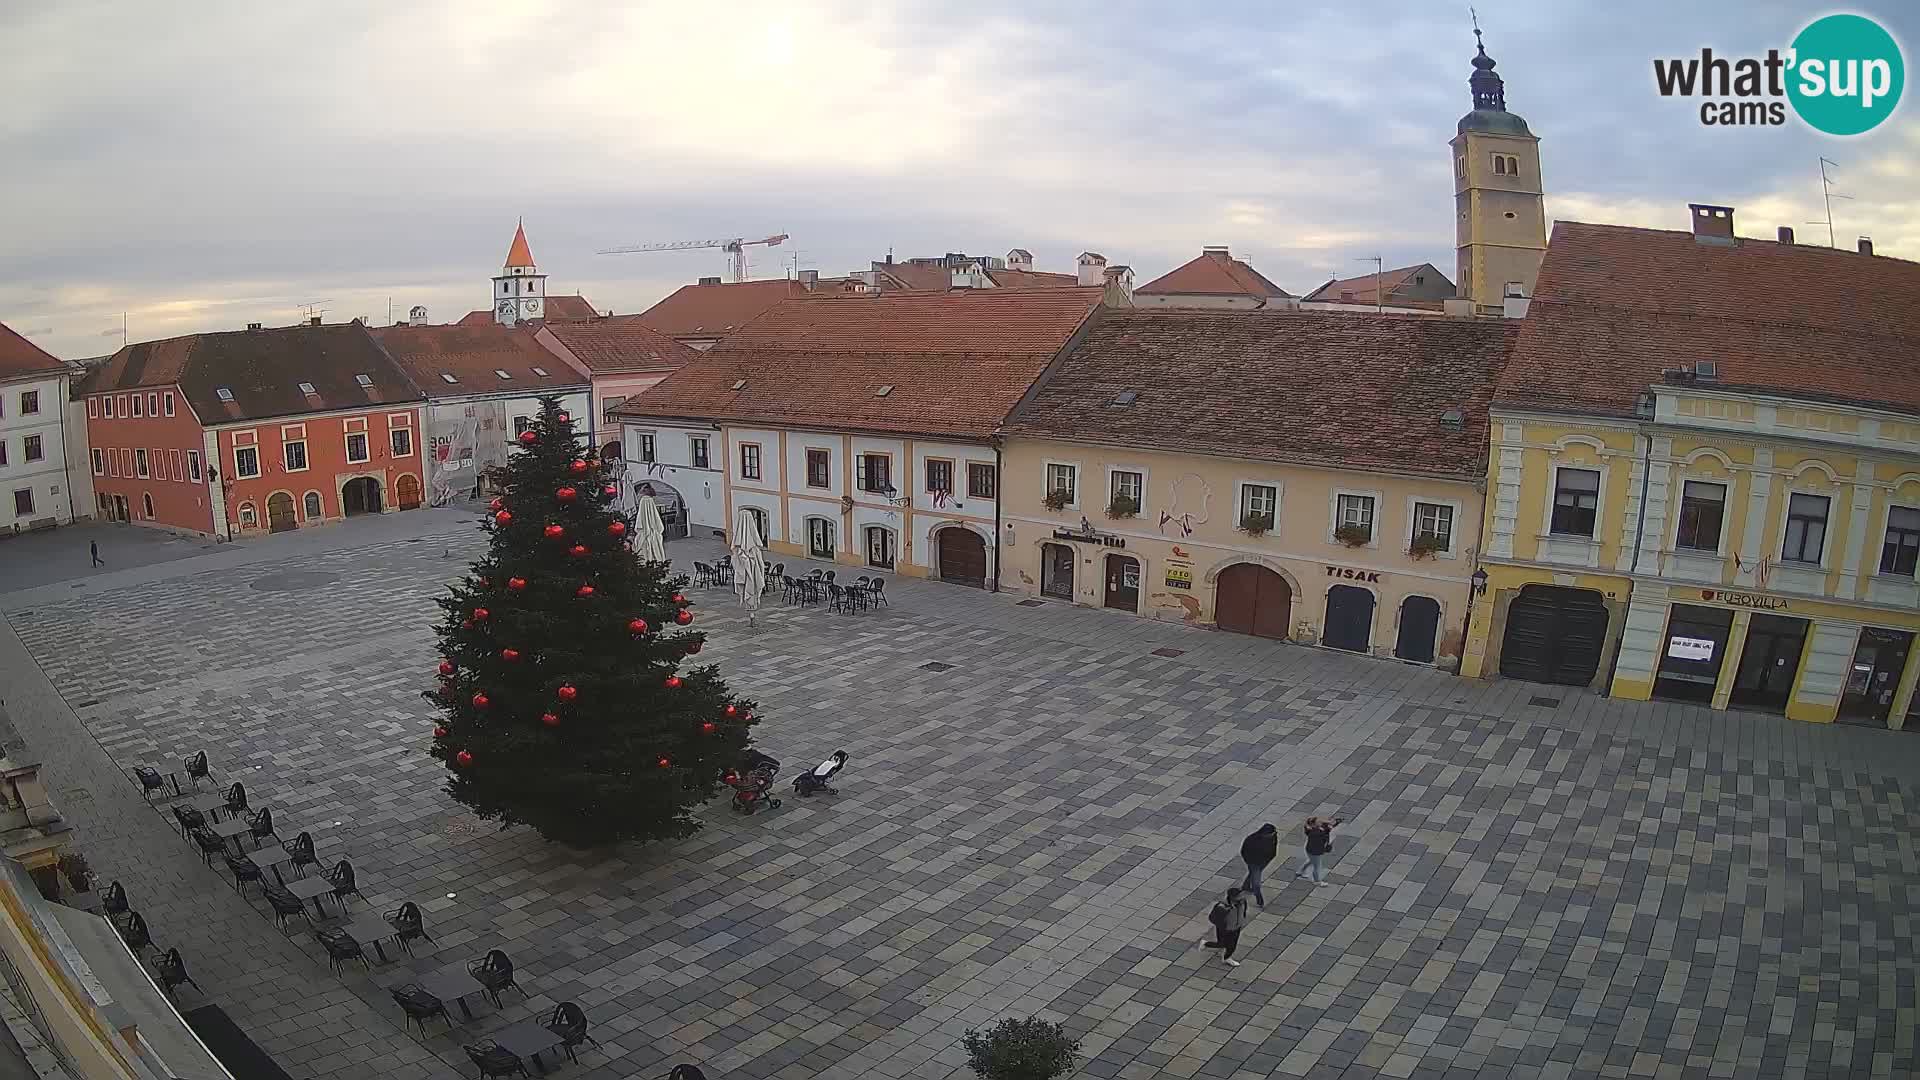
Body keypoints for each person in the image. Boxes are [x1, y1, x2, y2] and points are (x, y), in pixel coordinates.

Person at [1200, 886, 1250, 966]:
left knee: (1232, 945)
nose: (1242, 896)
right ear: (1233, 897)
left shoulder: (1242, 901)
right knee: (1222, 944)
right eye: (1239, 896)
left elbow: (1244, 910)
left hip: (1236, 927)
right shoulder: (1222, 907)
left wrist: (1241, 921)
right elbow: (1213, 918)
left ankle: (1227, 958)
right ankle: (1205, 943)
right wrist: (1223, 926)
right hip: (1225, 929)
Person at [1240, 823, 1278, 908]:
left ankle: (1245, 886)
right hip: (1254, 862)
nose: (1274, 834)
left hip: (1265, 861)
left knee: (1253, 874)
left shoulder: (1273, 836)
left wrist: (1271, 857)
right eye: (1271, 834)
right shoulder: (1252, 840)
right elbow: (1244, 851)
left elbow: (1274, 846)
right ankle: (1259, 899)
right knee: (1256, 883)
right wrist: (1249, 861)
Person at [1297, 816, 1342, 886]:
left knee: (1311, 861)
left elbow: (1326, 827)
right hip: (1314, 851)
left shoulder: (1314, 829)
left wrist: (1333, 823)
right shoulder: (1314, 833)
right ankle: (1317, 881)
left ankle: (1300, 871)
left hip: (1312, 850)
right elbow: (1324, 832)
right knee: (1317, 866)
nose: (1320, 822)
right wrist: (1330, 828)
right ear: (1313, 824)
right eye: (1318, 822)